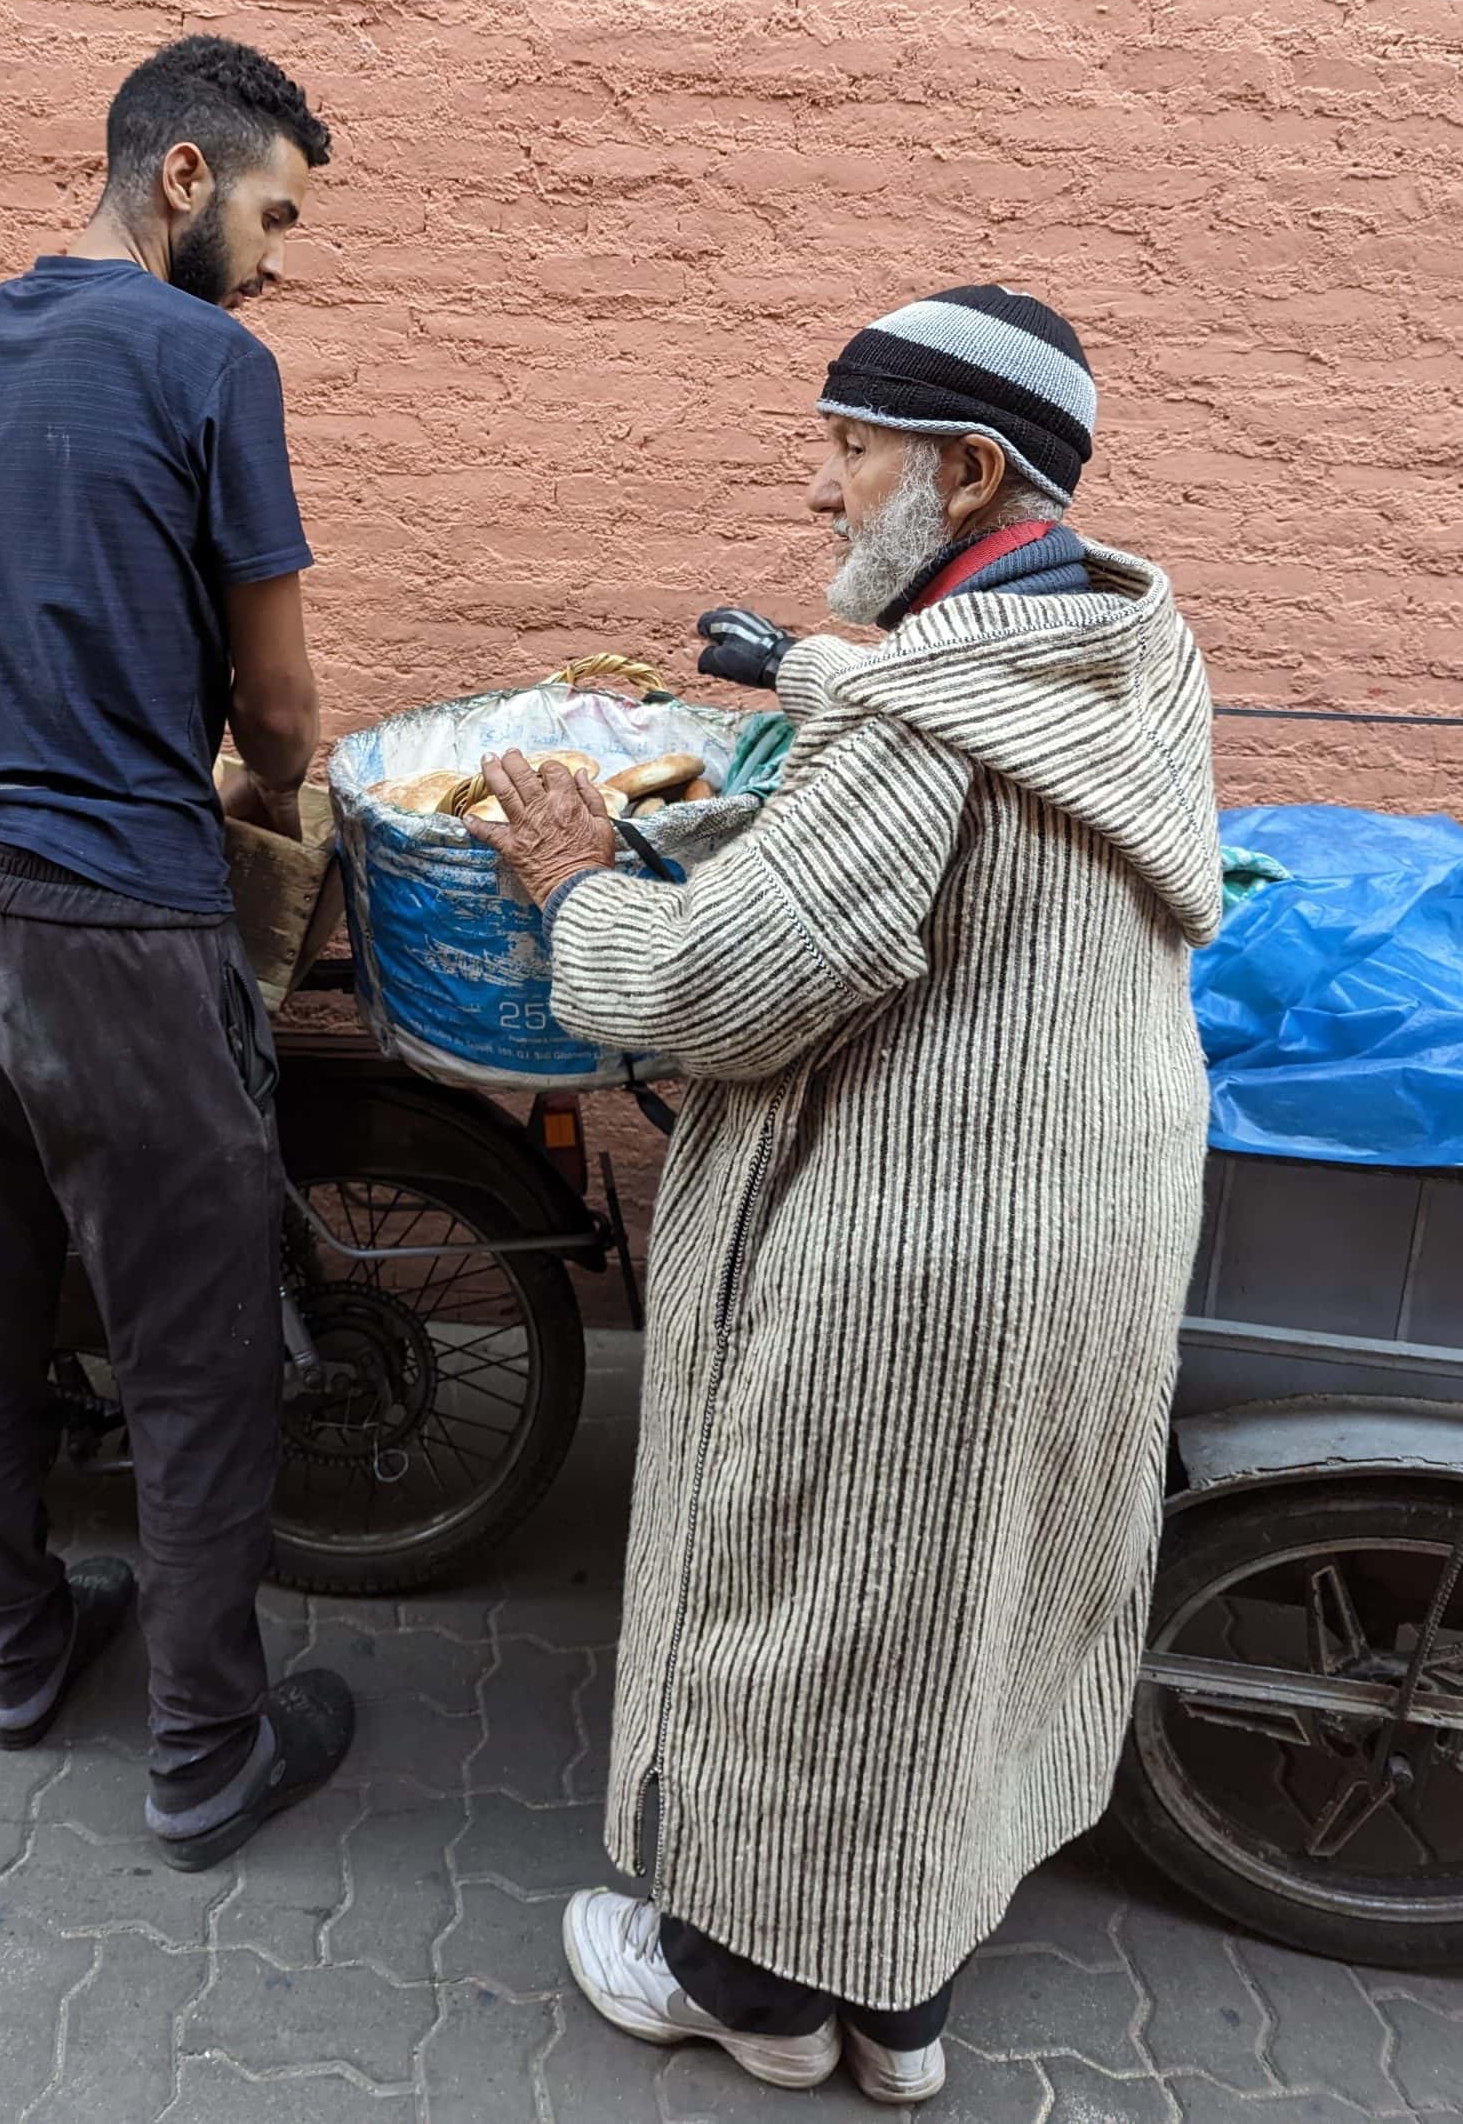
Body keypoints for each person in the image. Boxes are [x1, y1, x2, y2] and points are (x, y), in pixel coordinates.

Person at [466, 285, 1220, 2102]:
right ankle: (894, 2000)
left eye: (851, 448)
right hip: (1096, 1207)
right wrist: (738, 757)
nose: (823, 487)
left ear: (966, 472)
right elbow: (915, 846)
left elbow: (713, 990)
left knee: (813, 1594)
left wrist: (577, 877)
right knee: (962, 1602)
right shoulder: (1123, 645)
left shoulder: (919, 720)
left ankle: (745, 1984)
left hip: (926, 1229)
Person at [0, 34, 354, 1869]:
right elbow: (275, 713)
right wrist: (281, 785)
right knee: (191, 1347)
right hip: (117, 928)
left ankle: (22, 1650)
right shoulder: (214, 365)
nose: (280, 259)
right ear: (182, 177)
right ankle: (210, 1745)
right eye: (274, 210)